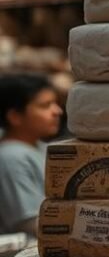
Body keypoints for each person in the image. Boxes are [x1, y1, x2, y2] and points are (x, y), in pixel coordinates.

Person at [0, 74, 61, 240]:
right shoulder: (12, 157)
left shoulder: (42, 147)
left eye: (55, 103)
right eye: (45, 105)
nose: (57, 111)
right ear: (15, 116)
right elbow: (29, 222)